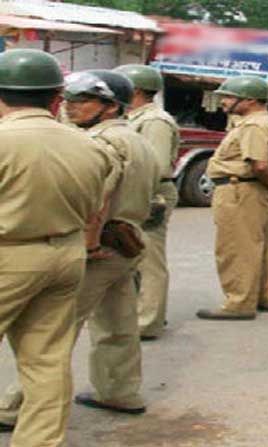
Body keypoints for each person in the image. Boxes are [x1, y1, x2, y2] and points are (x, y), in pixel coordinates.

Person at [0, 49, 115, 447]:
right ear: (55, 99)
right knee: (46, 360)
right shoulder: (90, 145)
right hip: (65, 254)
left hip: (9, 255)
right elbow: (97, 206)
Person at [61, 69, 160, 415]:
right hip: (127, 242)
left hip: (100, 247)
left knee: (54, 331)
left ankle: (16, 407)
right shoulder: (137, 139)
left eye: (83, 100)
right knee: (118, 325)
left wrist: (88, 246)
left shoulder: (102, 142)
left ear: (110, 107)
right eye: (70, 99)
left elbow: (97, 201)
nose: (71, 107)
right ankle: (119, 391)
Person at [197, 76, 268, 319]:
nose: (224, 102)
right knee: (261, 245)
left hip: (241, 190)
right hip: (253, 190)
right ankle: (267, 296)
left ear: (249, 99)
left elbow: (259, 165)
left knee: (237, 247)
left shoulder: (253, 126)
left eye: (228, 97)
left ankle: (239, 303)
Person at [114, 64, 180, 341]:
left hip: (151, 193)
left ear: (136, 90)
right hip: (135, 192)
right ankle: (137, 313)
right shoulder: (135, 117)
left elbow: (158, 166)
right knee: (131, 255)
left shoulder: (155, 121)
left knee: (149, 260)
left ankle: (148, 321)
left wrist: (146, 199)